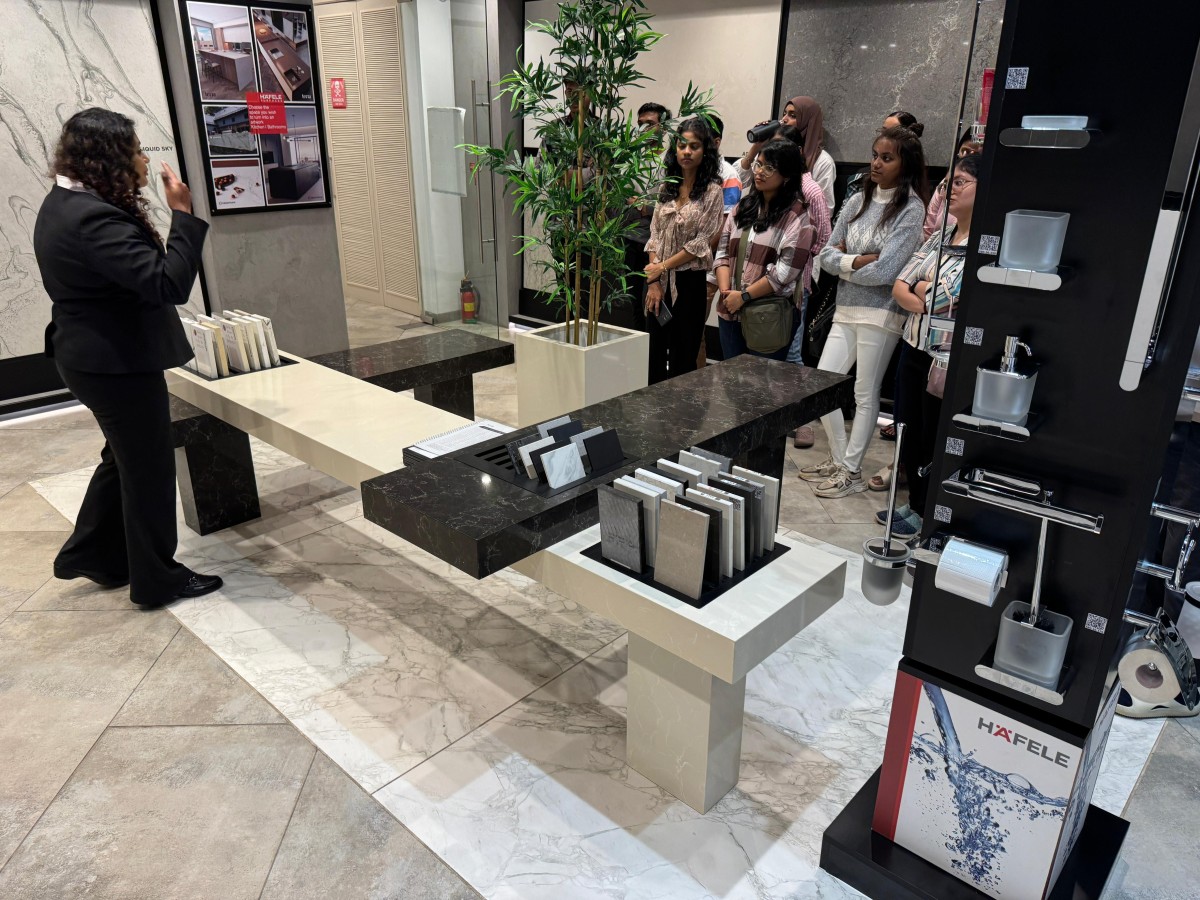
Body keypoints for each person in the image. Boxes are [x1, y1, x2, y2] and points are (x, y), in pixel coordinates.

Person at [32, 108, 223, 609]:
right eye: (137, 151)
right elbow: (167, 284)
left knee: (122, 459)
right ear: (110, 159)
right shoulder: (92, 219)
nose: (145, 160)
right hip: (114, 364)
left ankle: (92, 554)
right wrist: (183, 215)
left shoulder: (66, 202)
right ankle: (158, 579)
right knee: (148, 471)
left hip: (94, 356)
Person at [800, 126, 928, 498]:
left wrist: (847, 262)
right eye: (875, 155)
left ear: (905, 164)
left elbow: (887, 272)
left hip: (882, 311)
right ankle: (841, 460)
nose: (876, 163)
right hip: (846, 306)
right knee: (821, 384)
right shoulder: (857, 199)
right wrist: (858, 261)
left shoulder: (911, 209)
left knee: (864, 392)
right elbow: (825, 255)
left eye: (887, 158)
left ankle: (852, 470)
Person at [879, 152, 980, 535]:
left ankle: (931, 512)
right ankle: (916, 504)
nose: (949, 190)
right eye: (948, 183)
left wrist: (920, 288)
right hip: (914, 345)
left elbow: (948, 300)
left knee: (934, 436)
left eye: (960, 182)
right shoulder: (942, 235)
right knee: (908, 431)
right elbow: (900, 284)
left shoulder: (985, 243)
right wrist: (922, 289)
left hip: (944, 357)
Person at [712, 138, 815, 361]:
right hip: (730, 309)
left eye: (769, 168)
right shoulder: (743, 207)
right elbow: (722, 254)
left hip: (768, 314)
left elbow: (784, 275)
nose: (759, 172)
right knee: (731, 376)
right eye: (758, 164)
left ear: (787, 175)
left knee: (762, 380)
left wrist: (744, 296)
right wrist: (727, 293)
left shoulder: (798, 217)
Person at [645, 118, 724, 382]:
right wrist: (654, 279)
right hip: (657, 281)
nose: (687, 152)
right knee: (653, 354)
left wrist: (662, 266)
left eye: (694, 146)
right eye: (682, 146)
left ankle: (678, 409)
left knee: (683, 356)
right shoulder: (666, 186)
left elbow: (701, 242)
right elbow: (654, 235)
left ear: (705, 151)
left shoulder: (712, 191)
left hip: (689, 283)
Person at [698, 114, 744, 368]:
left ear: (716, 142)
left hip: (706, 263)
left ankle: (694, 384)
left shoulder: (727, 174)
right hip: (681, 261)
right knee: (687, 331)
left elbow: (725, 226)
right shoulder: (691, 169)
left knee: (695, 329)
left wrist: (698, 254)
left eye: (700, 140)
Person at [742, 95, 836, 212]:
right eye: (784, 114)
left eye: (793, 115)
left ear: (808, 121)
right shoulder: (770, 152)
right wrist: (757, 147)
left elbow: (825, 210)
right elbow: (742, 182)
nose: (784, 119)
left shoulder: (823, 161)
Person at [624, 102, 670, 331]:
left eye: (650, 124)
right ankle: (639, 346)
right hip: (631, 238)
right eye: (640, 124)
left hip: (660, 243)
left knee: (656, 301)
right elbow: (621, 195)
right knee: (633, 301)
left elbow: (676, 203)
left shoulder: (671, 161)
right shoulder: (631, 159)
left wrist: (647, 207)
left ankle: (656, 349)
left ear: (664, 127)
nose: (643, 129)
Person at [843, 110, 925, 205]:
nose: (885, 137)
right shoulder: (858, 182)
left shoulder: (913, 202)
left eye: (887, 158)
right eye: (883, 131)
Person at [923, 128, 984, 239]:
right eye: (965, 151)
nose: (969, 158)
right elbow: (928, 231)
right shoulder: (945, 184)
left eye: (958, 183)